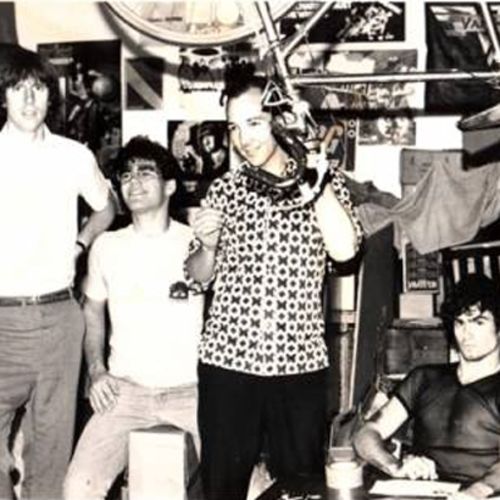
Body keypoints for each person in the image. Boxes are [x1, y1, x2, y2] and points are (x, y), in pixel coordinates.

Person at [185, 73, 363, 500]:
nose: (242, 139)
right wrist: (207, 245)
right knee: (221, 490)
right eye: (233, 127)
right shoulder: (224, 189)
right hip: (228, 363)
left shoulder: (324, 183)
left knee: (299, 490)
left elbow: (346, 253)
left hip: (298, 365)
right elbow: (197, 276)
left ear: (281, 122)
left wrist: (314, 180)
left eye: (254, 123)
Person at [0, 44, 115, 499]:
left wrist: (80, 243)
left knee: (51, 452)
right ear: (4, 96)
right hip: (2, 320)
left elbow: (106, 208)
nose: (29, 100)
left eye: (38, 89)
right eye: (18, 89)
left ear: (51, 96)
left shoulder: (74, 155)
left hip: (58, 319)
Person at [63, 136, 205, 500]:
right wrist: (97, 371)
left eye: (146, 172)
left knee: (244, 485)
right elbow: (92, 309)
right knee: (78, 488)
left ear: (170, 186)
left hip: (192, 393)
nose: (134, 182)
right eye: (126, 175)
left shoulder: (196, 244)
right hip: (125, 393)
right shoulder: (107, 246)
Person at [354, 273, 500, 499]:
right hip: (421, 493)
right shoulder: (424, 378)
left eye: (478, 322)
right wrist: (395, 466)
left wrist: (476, 492)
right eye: (460, 322)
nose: (466, 333)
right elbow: (365, 435)